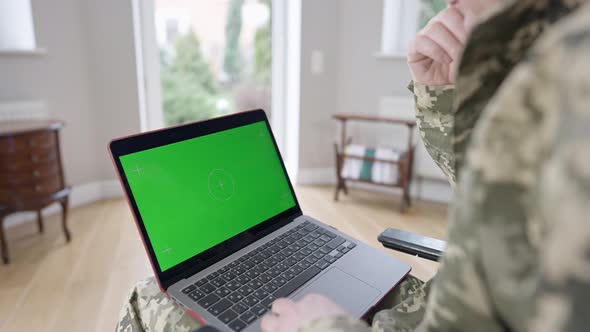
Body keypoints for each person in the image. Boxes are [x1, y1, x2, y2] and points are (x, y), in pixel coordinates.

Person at [116, 0, 590, 331]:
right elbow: (500, 201)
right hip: (444, 303)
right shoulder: (554, 65)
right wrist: (444, 91)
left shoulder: (572, 79)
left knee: (146, 298)